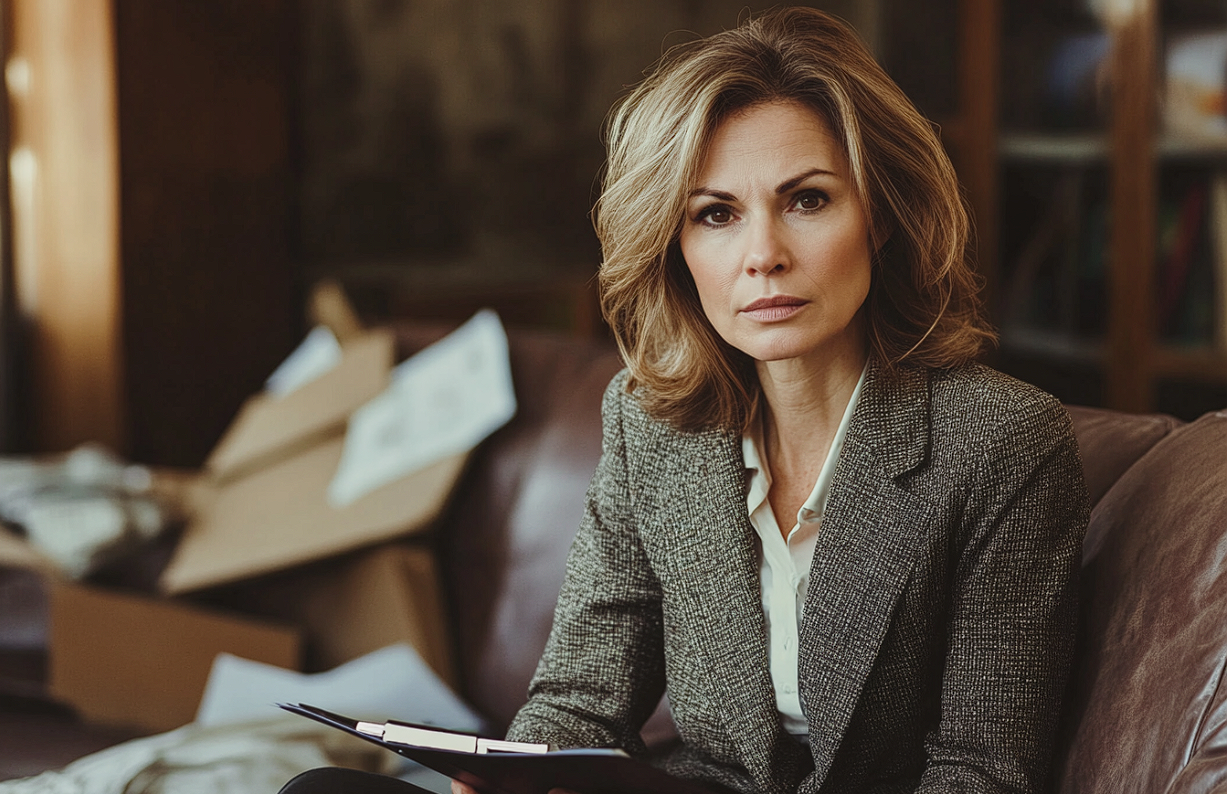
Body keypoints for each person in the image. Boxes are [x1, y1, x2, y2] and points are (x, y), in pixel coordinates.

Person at [283, 6, 1089, 794]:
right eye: (715, 215)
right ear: (676, 245)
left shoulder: (999, 441)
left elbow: (983, 771)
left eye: (806, 199)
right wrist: (521, 776)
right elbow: (580, 700)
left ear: (878, 216)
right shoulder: (652, 425)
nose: (762, 255)